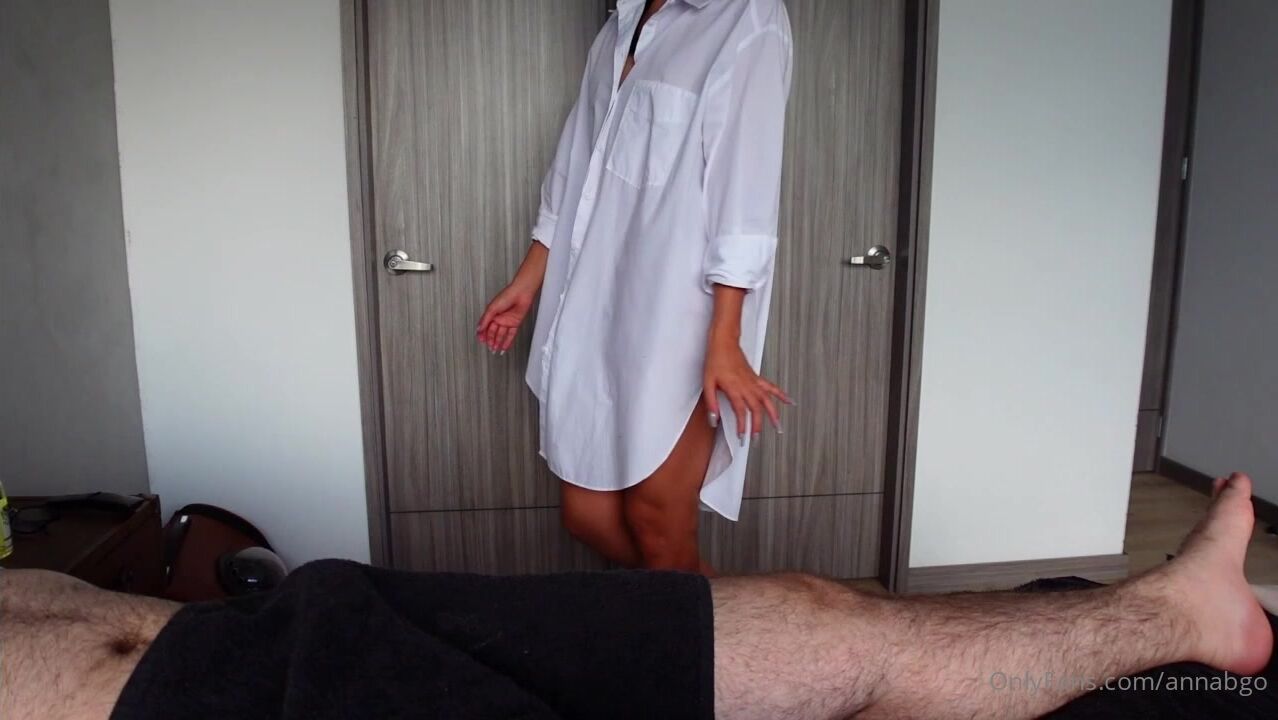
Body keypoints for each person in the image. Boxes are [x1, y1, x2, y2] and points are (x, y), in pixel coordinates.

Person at [2, 473, 1272, 719]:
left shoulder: (732, 25)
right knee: (605, 518)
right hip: (269, 695)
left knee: (824, 618)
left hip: (315, 627)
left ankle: (1182, 609)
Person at [476, 0, 793, 572]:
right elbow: (574, 168)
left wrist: (726, 337)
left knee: (657, 519)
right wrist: (528, 281)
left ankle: (714, 629)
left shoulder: (746, 16)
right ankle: (685, 616)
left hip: (679, 316)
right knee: (587, 515)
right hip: (591, 302)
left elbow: (745, 187)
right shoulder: (619, 26)